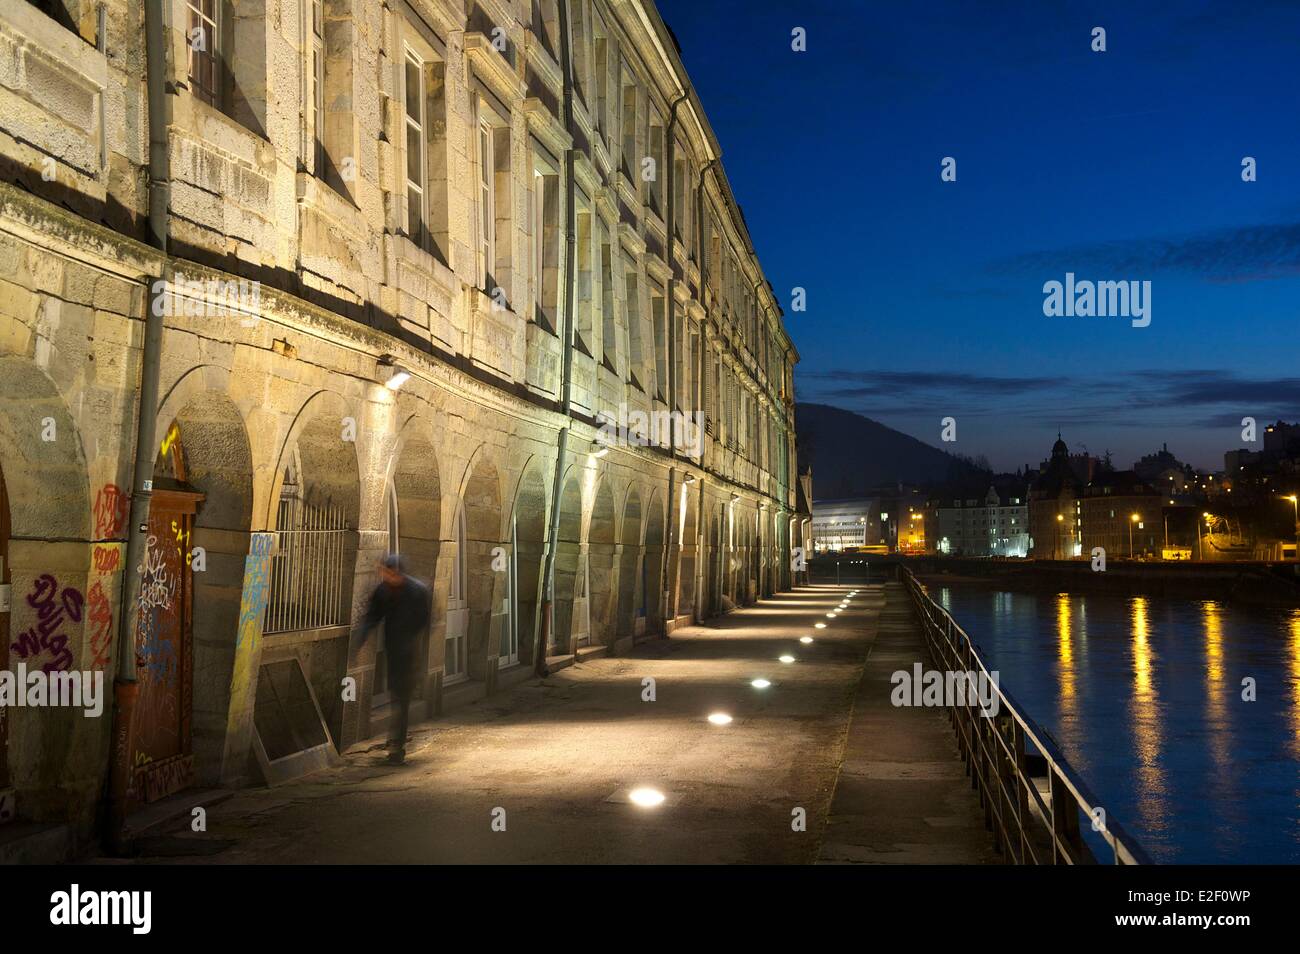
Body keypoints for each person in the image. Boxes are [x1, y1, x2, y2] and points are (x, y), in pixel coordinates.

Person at [351, 554, 431, 764]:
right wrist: (359, 639)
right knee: (396, 694)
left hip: (409, 651)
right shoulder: (383, 590)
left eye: (387, 573)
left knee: (401, 698)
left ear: (397, 572)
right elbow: (372, 616)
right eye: (382, 572)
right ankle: (396, 741)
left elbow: (425, 620)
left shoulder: (417, 591)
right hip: (394, 649)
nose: (384, 576)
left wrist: (411, 640)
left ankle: (398, 745)